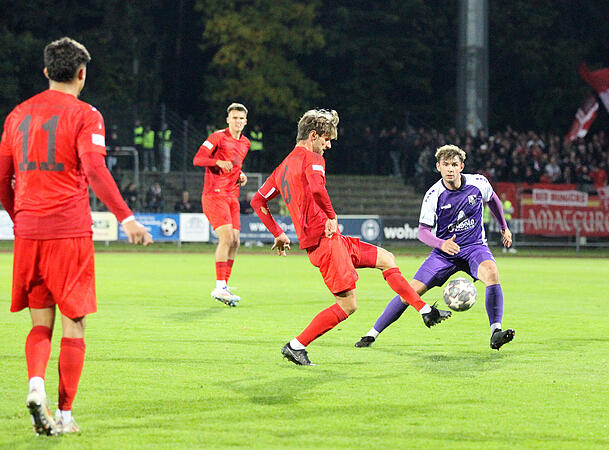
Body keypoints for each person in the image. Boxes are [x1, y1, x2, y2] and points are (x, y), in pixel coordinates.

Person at [0, 37, 152, 436]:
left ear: (47, 71)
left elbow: (2, 178)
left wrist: (19, 217)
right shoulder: (87, 115)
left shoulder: (16, 115)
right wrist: (127, 218)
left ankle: (37, 386)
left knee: (40, 323)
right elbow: (95, 170)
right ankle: (65, 415)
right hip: (68, 231)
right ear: (82, 74)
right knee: (75, 323)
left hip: (29, 231)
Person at [250, 109, 451, 366]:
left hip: (330, 241)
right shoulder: (312, 158)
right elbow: (316, 187)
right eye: (326, 139)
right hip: (325, 241)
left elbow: (258, 201)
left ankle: (425, 311)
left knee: (387, 259)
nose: (329, 145)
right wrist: (331, 215)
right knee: (348, 306)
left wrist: (278, 232)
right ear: (313, 135)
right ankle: (296, 345)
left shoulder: (282, 167)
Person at [354, 144, 515, 350]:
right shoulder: (433, 195)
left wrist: (504, 227)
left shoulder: (478, 182)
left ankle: (496, 332)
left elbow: (493, 200)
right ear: (438, 167)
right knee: (409, 293)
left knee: (492, 273)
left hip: (474, 247)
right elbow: (422, 232)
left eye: (454, 165)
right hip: (444, 254)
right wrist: (442, 244)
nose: (450, 169)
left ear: (461, 166)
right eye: (446, 164)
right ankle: (371, 334)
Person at [193, 103, 250, 306]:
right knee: (226, 238)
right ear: (228, 119)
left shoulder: (246, 143)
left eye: (241, 118)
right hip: (214, 195)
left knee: (235, 241)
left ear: (245, 121)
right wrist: (216, 162)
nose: (238, 121)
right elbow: (198, 159)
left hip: (232, 196)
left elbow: (235, 164)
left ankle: (224, 286)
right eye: (234, 118)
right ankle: (219, 287)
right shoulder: (217, 137)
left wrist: (240, 174)